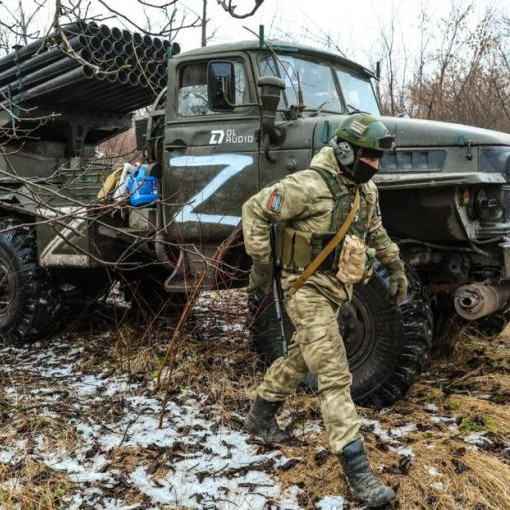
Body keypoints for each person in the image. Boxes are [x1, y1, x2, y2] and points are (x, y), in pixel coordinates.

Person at [241, 113, 407, 508]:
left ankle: (260, 414)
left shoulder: (365, 192)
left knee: (301, 356)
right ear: (347, 151)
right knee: (333, 370)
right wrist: (263, 268)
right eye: (369, 158)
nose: (376, 166)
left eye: (379, 159)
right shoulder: (307, 186)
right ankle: (356, 468)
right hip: (304, 289)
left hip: (338, 289)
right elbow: (254, 209)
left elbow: (376, 231)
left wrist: (395, 265)